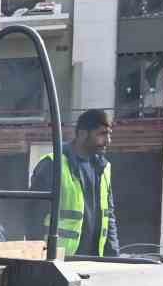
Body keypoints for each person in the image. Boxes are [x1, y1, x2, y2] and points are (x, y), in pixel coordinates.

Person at [28, 108, 118, 257]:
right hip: (61, 260)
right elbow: (33, 216)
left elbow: (109, 217)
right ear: (83, 134)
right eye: (102, 134)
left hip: (95, 260)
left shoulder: (104, 167)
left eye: (109, 134)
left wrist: (113, 257)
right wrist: (38, 259)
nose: (108, 140)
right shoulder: (53, 164)